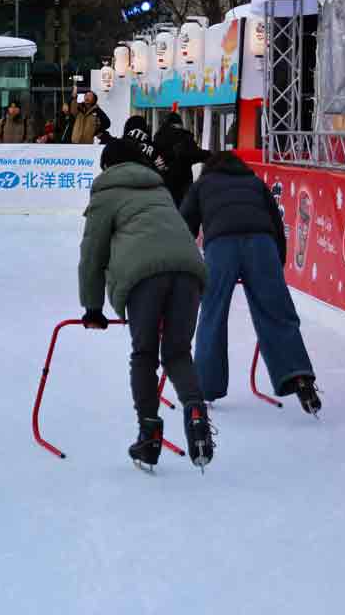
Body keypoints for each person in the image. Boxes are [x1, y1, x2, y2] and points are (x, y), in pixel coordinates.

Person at [78, 138, 213, 471]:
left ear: (108, 166)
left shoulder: (105, 193)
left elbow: (92, 255)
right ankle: (196, 412)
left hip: (143, 278)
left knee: (144, 355)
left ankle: (149, 435)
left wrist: (93, 308)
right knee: (178, 352)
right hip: (189, 271)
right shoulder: (159, 189)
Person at [179, 151, 321, 415]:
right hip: (261, 245)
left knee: (213, 314)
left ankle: (205, 388)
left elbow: (183, 224)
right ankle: (299, 377)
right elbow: (277, 224)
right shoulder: (255, 182)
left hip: (221, 247)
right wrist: (275, 265)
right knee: (277, 312)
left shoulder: (203, 185)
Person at [153, 112, 211, 207]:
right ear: (179, 124)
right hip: (182, 188)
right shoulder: (184, 137)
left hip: (163, 188)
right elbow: (196, 154)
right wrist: (212, 154)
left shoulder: (157, 138)